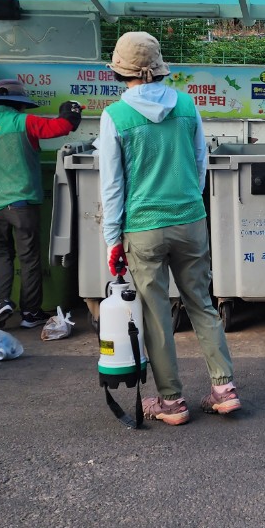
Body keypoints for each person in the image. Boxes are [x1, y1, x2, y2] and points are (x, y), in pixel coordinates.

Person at [98, 31, 240, 426]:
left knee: (157, 314)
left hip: (143, 228)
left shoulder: (115, 117)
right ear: (159, 69)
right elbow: (200, 162)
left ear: (120, 71)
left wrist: (113, 239)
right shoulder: (187, 105)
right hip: (190, 220)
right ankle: (224, 390)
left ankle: (171, 402)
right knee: (202, 304)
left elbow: (112, 186)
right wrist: (187, 201)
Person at [0, 79, 82, 329]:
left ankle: (1, 303)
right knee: (28, 257)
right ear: (18, 104)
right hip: (20, 203)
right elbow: (61, 127)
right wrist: (71, 109)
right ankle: (30, 313)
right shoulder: (23, 122)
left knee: (1, 255)